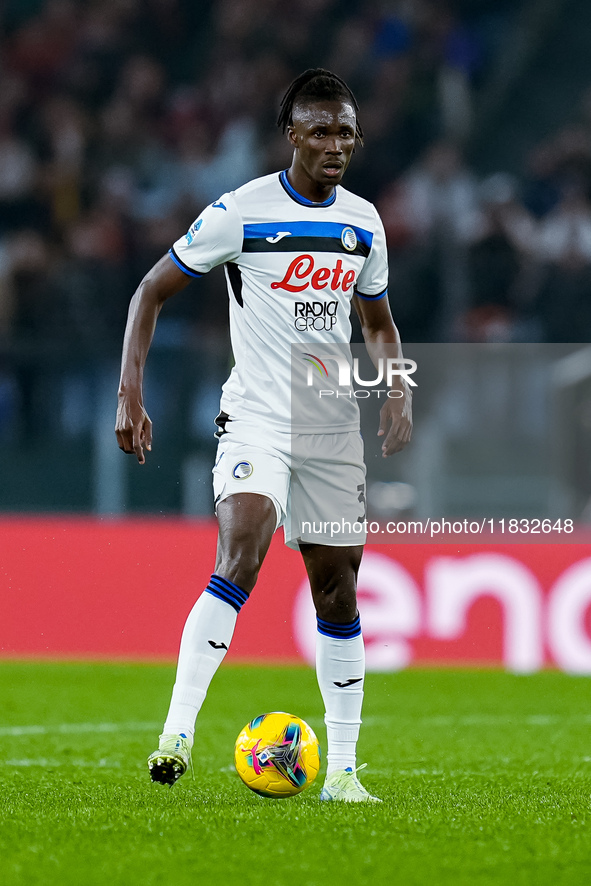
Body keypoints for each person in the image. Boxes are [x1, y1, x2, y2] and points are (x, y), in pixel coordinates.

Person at [115, 68, 412, 802]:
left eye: (345, 131)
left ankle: (341, 772)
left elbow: (375, 321)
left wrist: (397, 387)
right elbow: (150, 290)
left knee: (337, 591)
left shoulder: (364, 222)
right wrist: (130, 394)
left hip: (329, 424)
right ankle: (176, 735)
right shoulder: (239, 212)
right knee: (240, 552)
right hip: (254, 415)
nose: (334, 144)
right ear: (292, 137)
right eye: (319, 130)